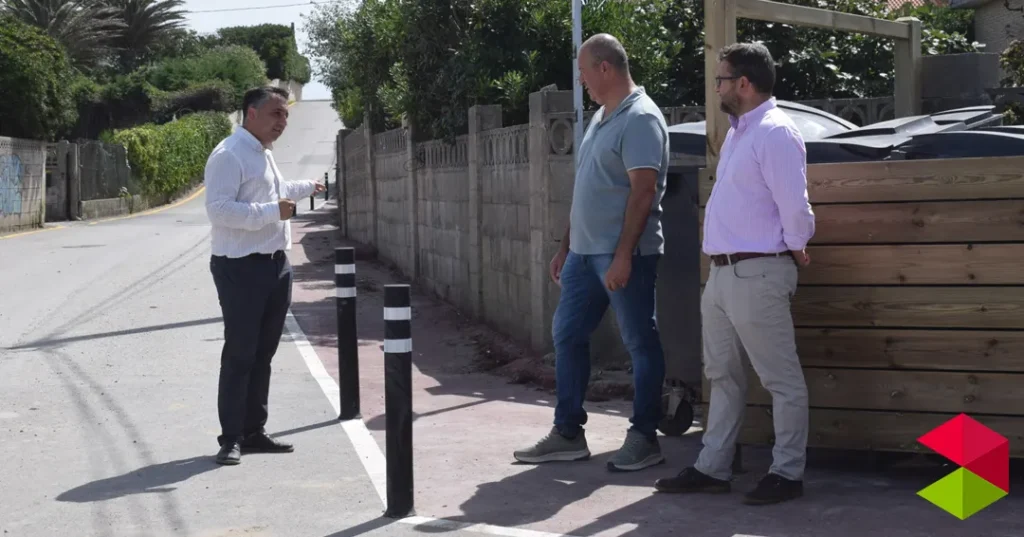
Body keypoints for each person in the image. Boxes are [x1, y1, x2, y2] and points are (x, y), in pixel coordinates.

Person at [653, 42, 815, 504]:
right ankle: (713, 467)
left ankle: (787, 473)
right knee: (722, 376)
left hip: (758, 271)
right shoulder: (740, 133)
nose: (717, 87)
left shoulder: (775, 132)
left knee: (781, 379)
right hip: (724, 275)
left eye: (721, 79)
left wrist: (796, 245)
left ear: (744, 83)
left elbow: (795, 207)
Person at [513, 33, 670, 472]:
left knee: (640, 342)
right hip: (584, 257)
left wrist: (623, 255)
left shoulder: (641, 118)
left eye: (583, 72)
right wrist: (566, 247)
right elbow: (587, 190)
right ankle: (568, 434)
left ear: (605, 68)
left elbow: (643, 193)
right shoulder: (602, 118)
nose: (580, 81)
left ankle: (645, 437)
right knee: (567, 335)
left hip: (624, 256)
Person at [204, 85, 325, 465]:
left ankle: (254, 431)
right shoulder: (228, 154)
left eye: (286, 114)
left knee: (263, 354)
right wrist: (274, 212)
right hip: (240, 266)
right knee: (240, 353)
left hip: (275, 264)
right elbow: (220, 210)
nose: (283, 121)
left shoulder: (263, 153)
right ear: (251, 113)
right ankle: (231, 438)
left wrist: (307, 187)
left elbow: (274, 190)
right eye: (276, 113)